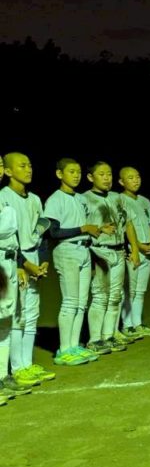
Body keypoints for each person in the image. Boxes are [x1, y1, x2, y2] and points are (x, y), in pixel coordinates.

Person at [0, 152, 56, 387]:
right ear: (8, 171)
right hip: (16, 261)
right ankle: (17, 368)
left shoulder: (34, 199)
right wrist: (25, 264)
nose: (28, 169)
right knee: (16, 316)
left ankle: (27, 364)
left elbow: (40, 231)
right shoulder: (3, 197)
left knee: (32, 314)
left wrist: (43, 260)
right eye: (22, 166)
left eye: (30, 165)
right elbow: (8, 238)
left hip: (32, 259)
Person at [43, 158, 105, 365]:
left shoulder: (80, 198)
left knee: (81, 303)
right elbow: (53, 232)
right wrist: (83, 228)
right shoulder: (55, 199)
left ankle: (74, 345)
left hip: (84, 249)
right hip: (67, 251)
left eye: (78, 171)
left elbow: (82, 226)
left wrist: (96, 230)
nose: (76, 175)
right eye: (71, 171)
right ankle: (64, 350)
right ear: (59, 174)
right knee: (70, 302)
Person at [82, 161, 137, 354]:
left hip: (119, 250)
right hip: (99, 251)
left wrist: (134, 249)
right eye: (102, 174)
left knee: (115, 296)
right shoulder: (84, 199)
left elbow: (128, 224)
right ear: (90, 177)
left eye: (109, 174)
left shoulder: (117, 198)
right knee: (100, 296)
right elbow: (82, 228)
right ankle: (94, 339)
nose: (107, 178)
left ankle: (108, 335)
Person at [0, 153, 34, 401]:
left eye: (0, 165)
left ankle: (3, 377)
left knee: (5, 321)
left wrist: (19, 264)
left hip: (8, 261)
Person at [118, 166, 150, 338]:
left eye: (137, 177)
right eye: (130, 177)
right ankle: (127, 326)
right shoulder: (120, 200)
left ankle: (138, 324)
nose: (135, 180)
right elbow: (124, 229)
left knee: (140, 290)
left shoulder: (144, 201)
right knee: (129, 290)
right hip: (132, 250)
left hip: (147, 251)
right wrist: (139, 246)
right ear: (121, 182)